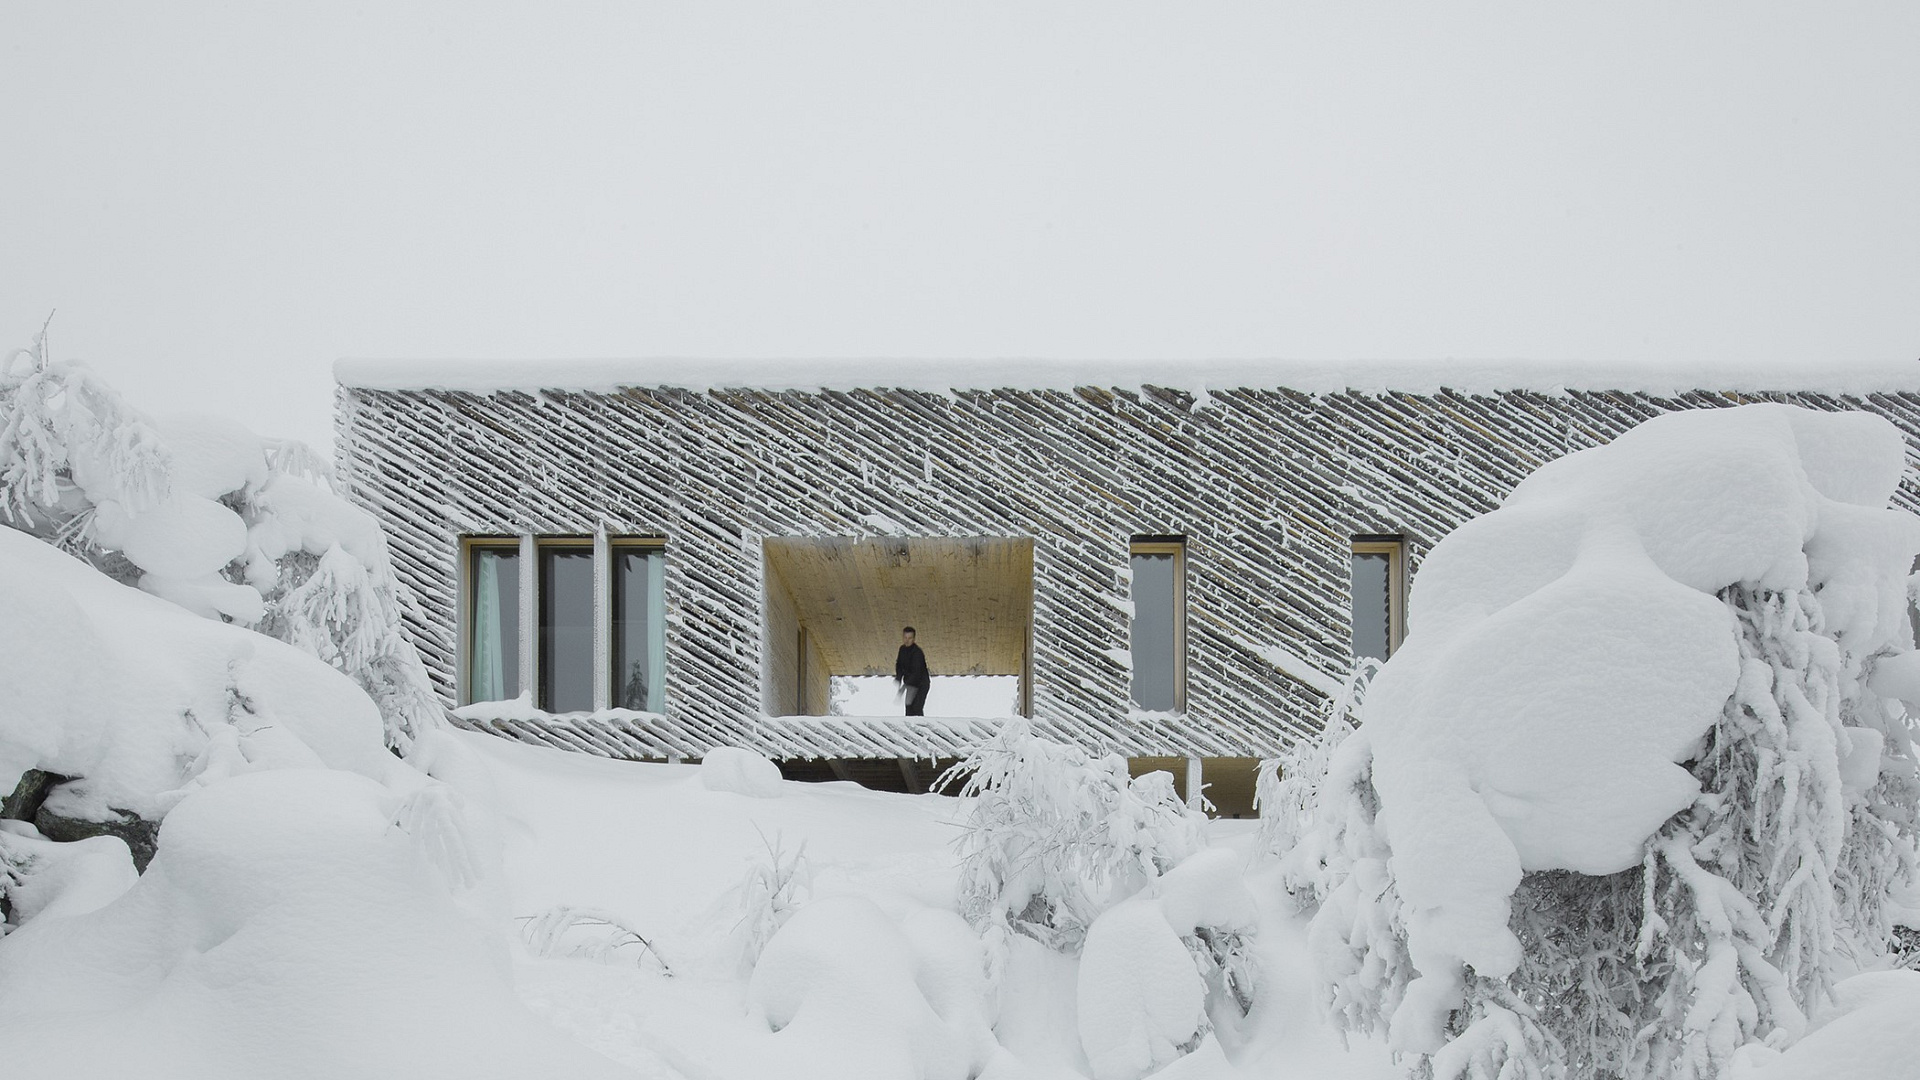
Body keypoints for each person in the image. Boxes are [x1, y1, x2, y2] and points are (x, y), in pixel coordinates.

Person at [895, 626, 930, 717]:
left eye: (910, 638)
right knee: (908, 707)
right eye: (905, 637)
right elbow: (899, 665)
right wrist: (898, 678)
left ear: (914, 639)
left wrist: (903, 687)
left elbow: (916, 673)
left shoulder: (917, 653)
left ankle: (921, 729)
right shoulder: (902, 649)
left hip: (921, 684)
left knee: (917, 708)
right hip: (910, 684)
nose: (907, 640)